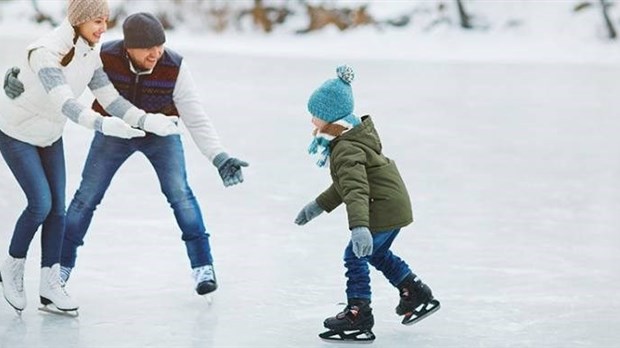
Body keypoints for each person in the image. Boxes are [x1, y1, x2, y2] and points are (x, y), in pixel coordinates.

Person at [4, 12, 248, 297]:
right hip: (114, 131)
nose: (157, 53)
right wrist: (18, 80)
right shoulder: (104, 55)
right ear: (128, 47)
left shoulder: (174, 66)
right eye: (148, 47)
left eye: (160, 45)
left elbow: (195, 117)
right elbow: (55, 67)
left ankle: (203, 266)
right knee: (85, 198)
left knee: (180, 193)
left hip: (161, 132)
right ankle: (61, 268)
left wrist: (218, 156)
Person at [0, 0, 181, 314]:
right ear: (78, 20)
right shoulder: (46, 51)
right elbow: (65, 102)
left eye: (105, 21)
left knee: (58, 210)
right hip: (15, 131)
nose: (103, 28)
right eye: (96, 21)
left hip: (48, 135)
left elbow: (111, 99)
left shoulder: (90, 55)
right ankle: (12, 268)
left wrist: (147, 120)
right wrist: (102, 124)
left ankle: (49, 284)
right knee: (40, 203)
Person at [294, 65, 440, 341]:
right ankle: (414, 291)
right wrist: (318, 205)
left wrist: (359, 226)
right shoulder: (350, 137)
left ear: (329, 117)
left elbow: (357, 189)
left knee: (355, 254)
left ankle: (358, 312)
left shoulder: (345, 147)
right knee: (376, 253)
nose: (312, 121)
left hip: (381, 206)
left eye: (315, 115)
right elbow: (345, 186)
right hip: (392, 203)